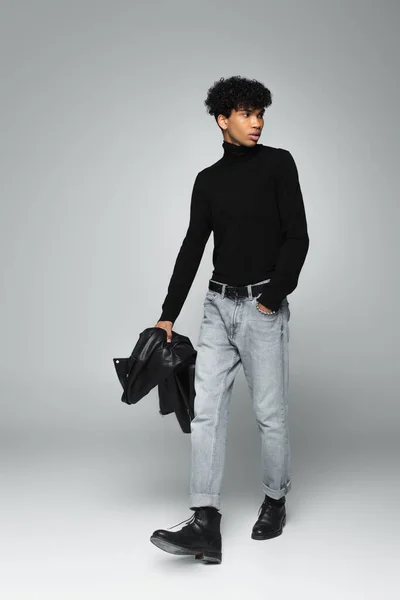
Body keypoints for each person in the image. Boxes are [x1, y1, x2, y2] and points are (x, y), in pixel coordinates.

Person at [149, 75, 309, 564]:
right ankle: (204, 522)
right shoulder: (208, 181)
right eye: (246, 113)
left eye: (261, 113)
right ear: (222, 119)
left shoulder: (279, 164)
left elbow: (297, 236)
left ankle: (275, 501)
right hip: (217, 307)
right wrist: (167, 315)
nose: (257, 122)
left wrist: (273, 295)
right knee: (206, 413)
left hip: (263, 304)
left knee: (269, 415)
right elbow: (193, 247)